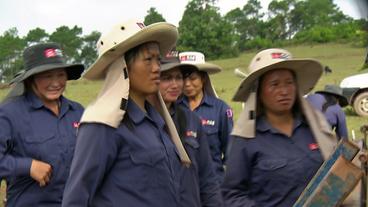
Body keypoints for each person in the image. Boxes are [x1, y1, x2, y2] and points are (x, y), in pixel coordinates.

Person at [62, 20, 191, 206]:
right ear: (122, 67)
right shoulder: (102, 125)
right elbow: (77, 198)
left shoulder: (157, 120)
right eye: (148, 59)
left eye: (158, 60)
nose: (157, 68)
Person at [222, 48, 338, 206]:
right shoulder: (245, 139)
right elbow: (232, 194)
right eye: (274, 84)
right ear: (259, 92)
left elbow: (337, 178)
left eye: (289, 83)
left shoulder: (315, 129)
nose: (284, 91)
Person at [0, 42, 85, 206]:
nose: (56, 82)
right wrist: (27, 166)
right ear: (31, 78)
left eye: (60, 74)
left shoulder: (78, 111)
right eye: (47, 76)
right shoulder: (9, 114)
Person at [149, 51, 223, 207]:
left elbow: (207, 178)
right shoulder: (139, 121)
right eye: (167, 78)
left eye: (178, 77)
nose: (175, 85)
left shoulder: (192, 120)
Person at [177, 51, 233, 185]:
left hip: (213, 184)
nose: (187, 84)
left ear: (203, 78)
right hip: (182, 185)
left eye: (193, 78)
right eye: (183, 78)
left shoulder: (221, 109)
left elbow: (231, 153)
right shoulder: (172, 109)